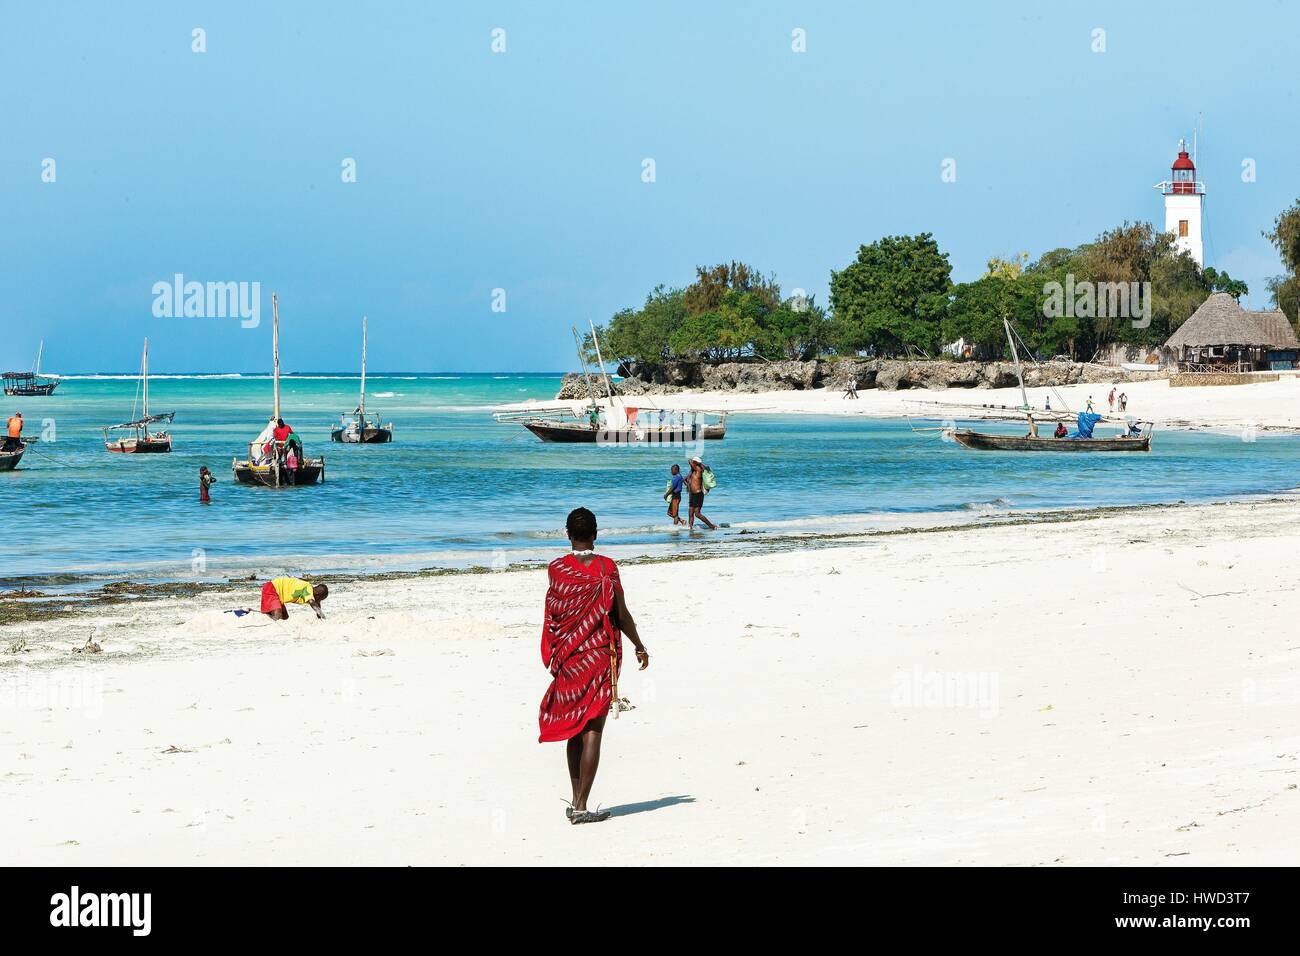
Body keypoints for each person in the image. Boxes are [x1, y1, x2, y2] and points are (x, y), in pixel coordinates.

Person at [539, 507, 649, 825]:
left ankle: (577, 802)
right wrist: (639, 645)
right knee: (592, 731)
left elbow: (556, 614)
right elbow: (621, 613)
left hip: (571, 659)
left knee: (575, 728)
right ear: (596, 534)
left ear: (567, 534)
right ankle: (581, 806)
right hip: (600, 657)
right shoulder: (606, 568)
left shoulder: (557, 568)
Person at [258, 576, 328, 621]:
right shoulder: (308, 588)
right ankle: (262, 615)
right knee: (278, 616)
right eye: (320, 599)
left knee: (285, 617)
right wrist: (324, 617)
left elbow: (317, 605)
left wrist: (320, 618)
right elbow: (313, 603)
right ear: (318, 595)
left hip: (278, 596)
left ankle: (266, 613)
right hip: (272, 588)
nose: (319, 601)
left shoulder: (311, 594)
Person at [686, 457, 717, 530]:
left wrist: (697, 462)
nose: (692, 463)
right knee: (690, 513)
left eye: (694, 462)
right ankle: (690, 528)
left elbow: (689, 461)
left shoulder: (699, 469)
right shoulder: (693, 471)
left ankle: (711, 525)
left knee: (697, 514)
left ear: (695, 463)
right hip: (692, 494)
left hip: (698, 494)